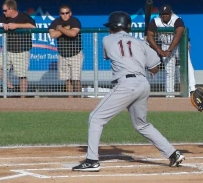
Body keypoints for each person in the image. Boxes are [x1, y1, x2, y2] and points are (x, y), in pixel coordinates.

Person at [73, 11, 185, 172]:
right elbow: (155, 68)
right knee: (142, 125)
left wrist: (142, 48)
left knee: (96, 118)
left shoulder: (107, 39)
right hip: (143, 84)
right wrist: (146, 49)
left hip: (126, 84)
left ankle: (91, 160)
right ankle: (173, 154)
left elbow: (112, 55)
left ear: (113, 26)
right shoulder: (140, 43)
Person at [146, 4, 196, 96]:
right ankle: (169, 94)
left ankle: (192, 89)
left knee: (187, 64)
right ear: (160, 14)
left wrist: (169, 50)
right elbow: (149, 35)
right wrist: (158, 50)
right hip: (165, 45)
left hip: (179, 45)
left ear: (170, 14)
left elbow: (179, 34)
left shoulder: (177, 19)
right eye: (163, 14)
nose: (165, 16)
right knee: (169, 70)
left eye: (167, 14)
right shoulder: (155, 21)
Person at [0, 0, 36, 96]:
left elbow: (33, 26)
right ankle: (11, 87)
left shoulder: (23, 16)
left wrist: (16, 25)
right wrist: (2, 24)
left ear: (11, 9)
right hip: (7, 50)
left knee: (22, 76)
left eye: (5, 10)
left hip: (22, 51)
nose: (3, 12)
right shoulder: (4, 18)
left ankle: (22, 99)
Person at [48, 5, 83, 96]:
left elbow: (73, 33)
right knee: (67, 80)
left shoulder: (74, 21)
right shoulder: (56, 22)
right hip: (63, 54)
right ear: (60, 14)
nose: (65, 15)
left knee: (76, 79)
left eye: (67, 13)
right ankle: (70, 101)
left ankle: (79, 101)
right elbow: (52, 35)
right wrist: (64, 30)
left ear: (70, 13)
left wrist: (59, 29)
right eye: (63, 13)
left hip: (75, 54)